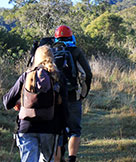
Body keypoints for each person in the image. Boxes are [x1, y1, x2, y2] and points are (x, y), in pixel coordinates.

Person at [3, 45, 67, 162]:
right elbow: (64, 107)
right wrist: (64, 128)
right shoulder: (58, 77)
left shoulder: (27, 76)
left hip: (26, 127)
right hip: (50, 127)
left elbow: (7, 102)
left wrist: (21, 101)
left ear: (35, 58)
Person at [54, 25, 93, 162]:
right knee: (75, 130)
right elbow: (86, 74)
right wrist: (83, 94)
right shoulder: (75, 51)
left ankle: (58, 159)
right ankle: (72, 159)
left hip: (54, 98)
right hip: (72, 96)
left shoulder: (49, 50)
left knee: (57, 131)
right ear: (71, 36)